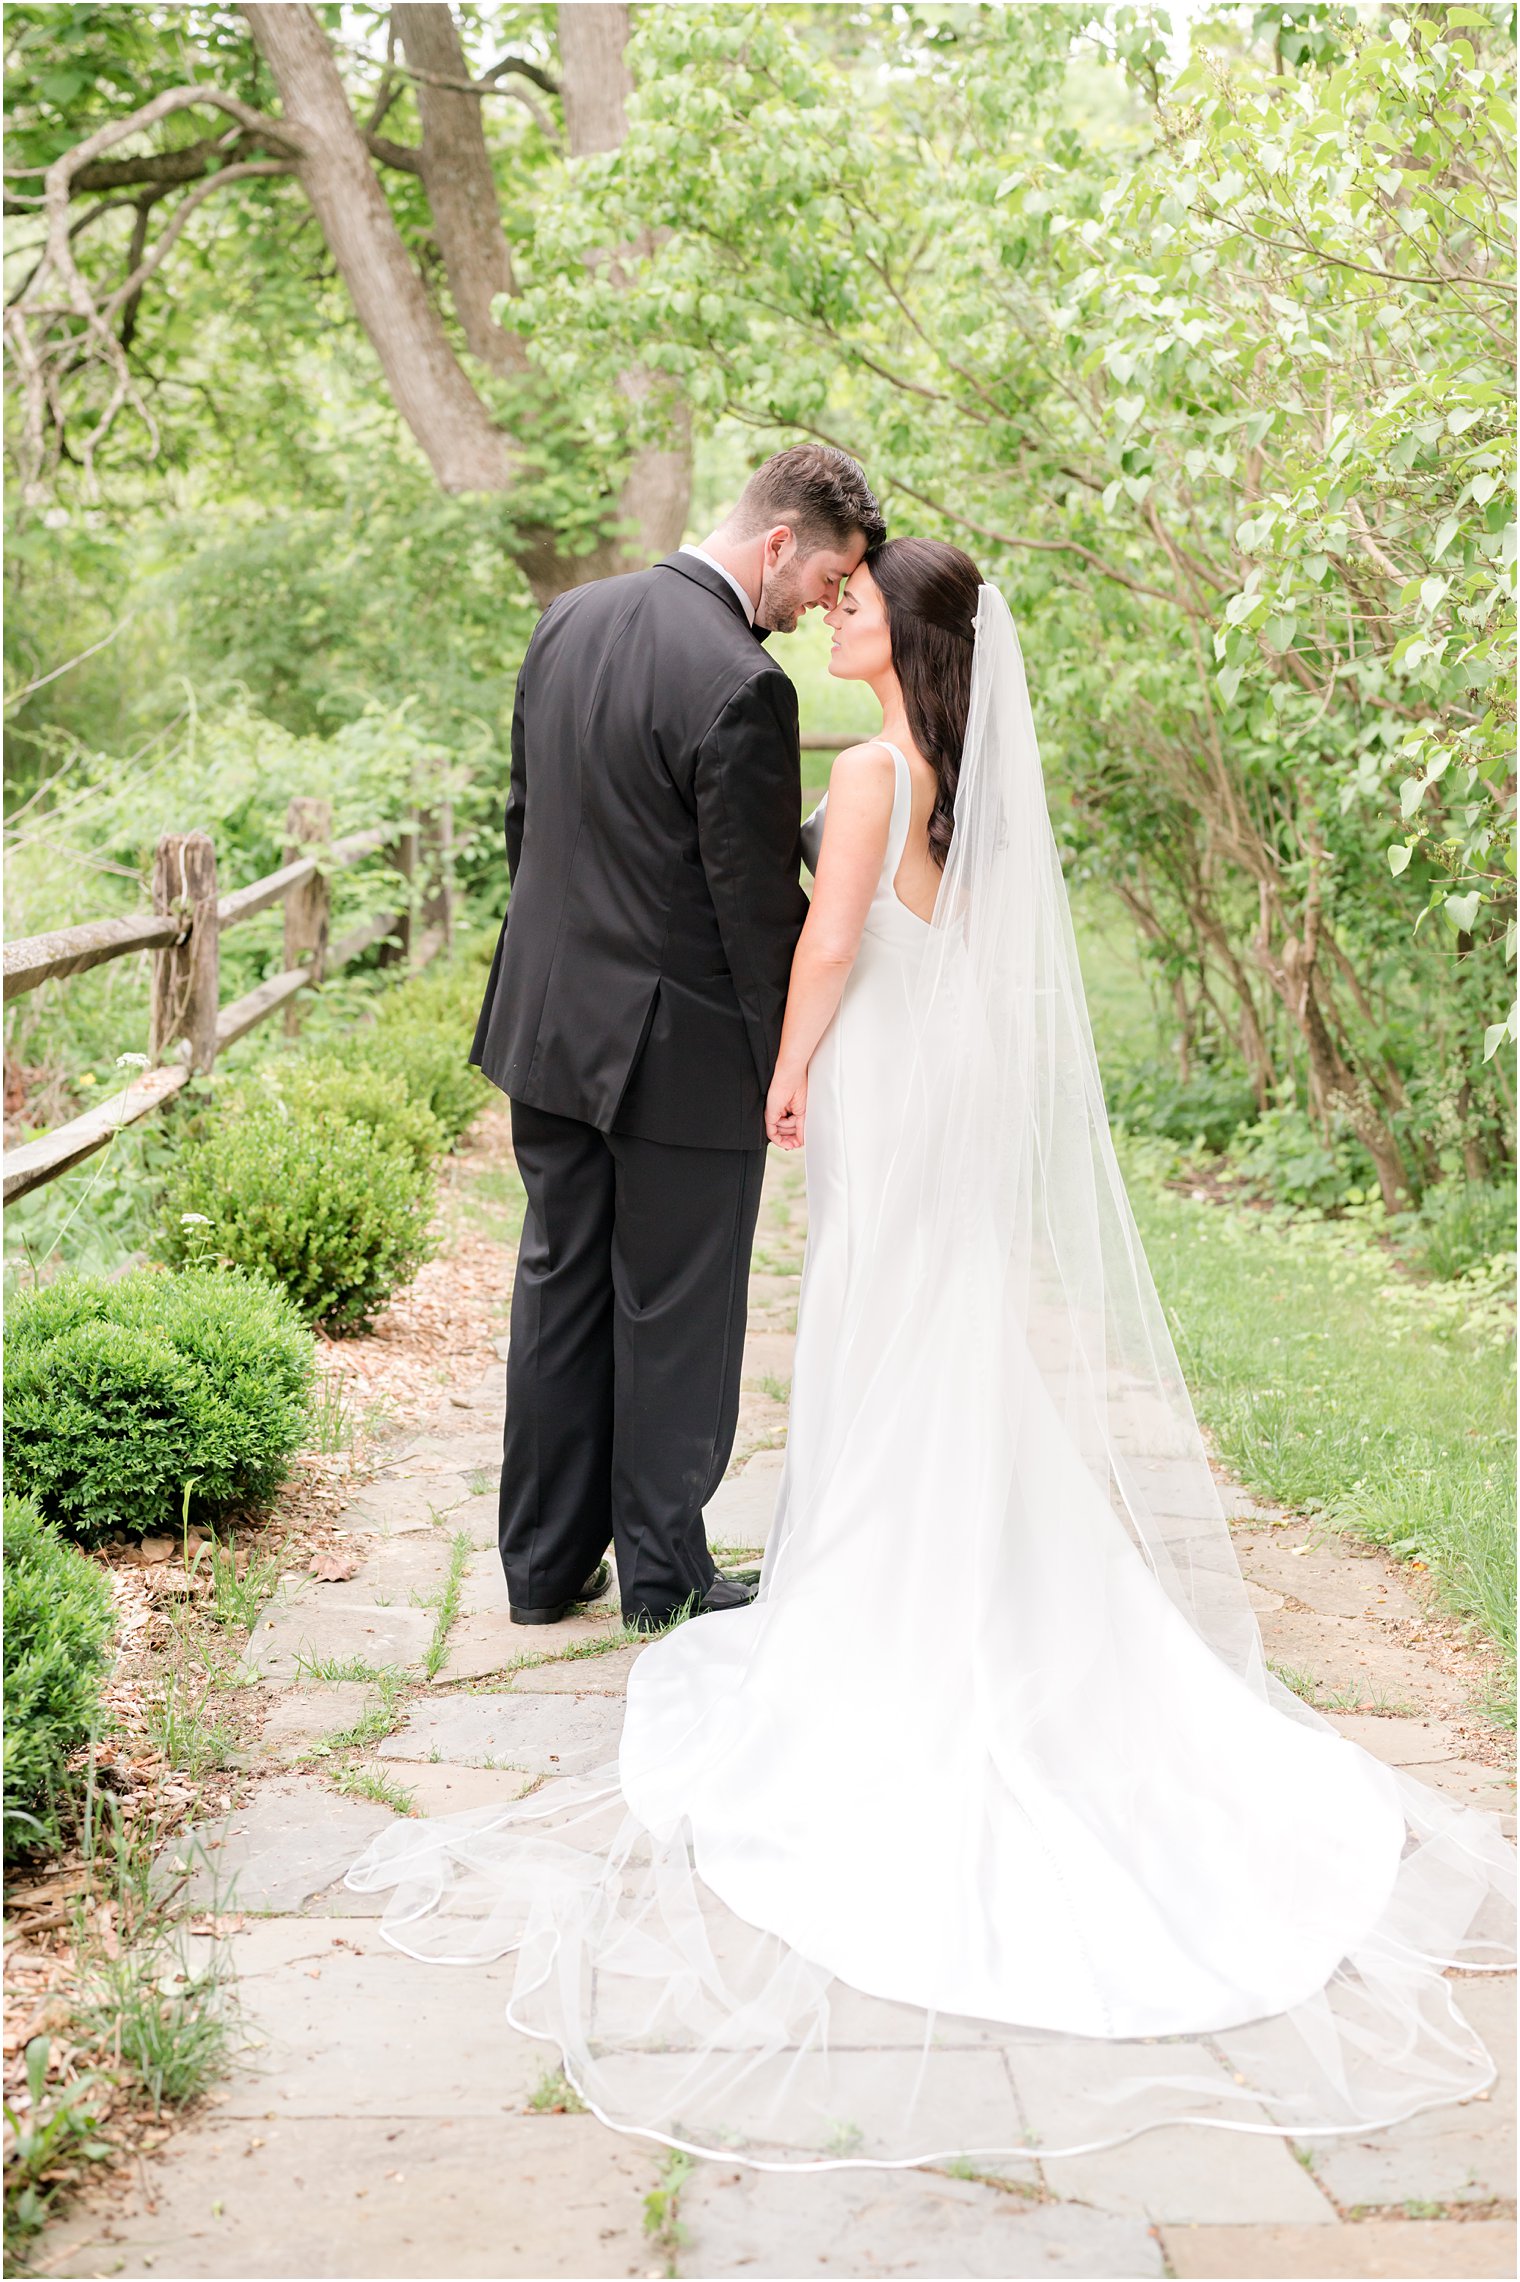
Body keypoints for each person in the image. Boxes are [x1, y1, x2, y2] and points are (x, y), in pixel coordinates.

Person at [352, 537, 1513, 2172]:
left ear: (916, 640)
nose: (835, 614)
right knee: (937, 1331)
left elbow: (825, 948)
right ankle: (946, 1568)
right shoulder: (960, 777)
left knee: (882, 1323)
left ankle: (898, 1597)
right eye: (829, 595)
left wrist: (788, 1068)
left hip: (888, 1080)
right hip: (945, 1081)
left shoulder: (881, 774)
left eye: (858, 603)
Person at [467, 445, 885, 1632]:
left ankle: (541, 1570)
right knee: (674, 1311)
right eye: (823, 582)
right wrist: (787, 1060)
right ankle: (663, 1574)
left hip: (546, 1029)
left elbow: (526, 828)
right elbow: (753, 911)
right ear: (776, 545)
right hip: (678, 1054)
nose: (817, 612)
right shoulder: (742, 683)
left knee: (557, 1286)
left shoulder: (567, 620)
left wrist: (556, 984)